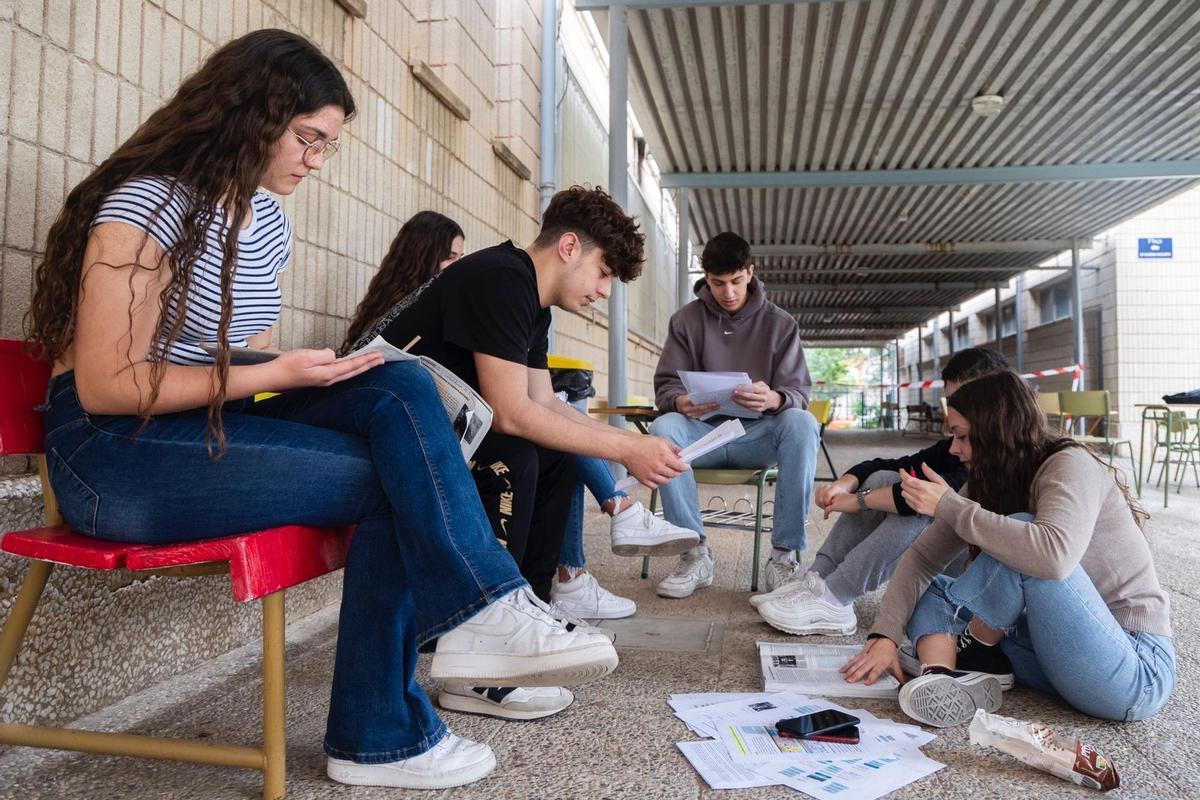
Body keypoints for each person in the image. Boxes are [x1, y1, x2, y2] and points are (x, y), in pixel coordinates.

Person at [25, 30, 616, 790]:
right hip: (112, 455)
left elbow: (237, 365)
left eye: (327, 146)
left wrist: (308, 372)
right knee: (396, 476)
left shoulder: (265, 219)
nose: (314, 161)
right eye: (307, 139)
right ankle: (402, 708)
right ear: (249, 117)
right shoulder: (148, 202)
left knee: (403, 387)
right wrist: (278, 372)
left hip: (197, 434)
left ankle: (469, 628)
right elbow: (110, 386)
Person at [343, 212, 696, 625]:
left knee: (556, 455)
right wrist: (624, 447)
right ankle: (484, 625)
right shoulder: (500, 278)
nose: (604, 291)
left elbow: (543, 402)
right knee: (513, 457)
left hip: (431, 426)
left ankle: (531, 607)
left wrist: (634, 446)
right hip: (372, 427)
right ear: (568, 248)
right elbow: (510, 414)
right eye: (603, 273)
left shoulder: (533, 301)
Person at [841, 371, 1174, 729]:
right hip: (1051, 656)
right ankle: (940, 675)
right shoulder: (994, 476)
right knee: (934, 586)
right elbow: (921, 559)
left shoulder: (1070, 464)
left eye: (962, 436)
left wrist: (950, 506)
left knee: (1025, 528)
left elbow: (1053, 557)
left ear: (995, 431)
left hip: (1132, 669)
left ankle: (974, 652)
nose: (953, 449)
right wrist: (884, 636)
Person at [752, 348, 1008, 636]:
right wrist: (845, 483)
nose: (954, 416)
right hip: (948, 558)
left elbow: (927, 494)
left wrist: (858, 501)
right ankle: (819, 579)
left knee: (916, 498)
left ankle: (836, 598)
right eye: (952, 402)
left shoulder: (1001, 454)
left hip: (973, 582)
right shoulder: (959, 446)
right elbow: (891, 466)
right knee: (885, 477)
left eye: (963, 402)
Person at [649, 232, 821, 599]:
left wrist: (774, 398)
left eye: (736, 282)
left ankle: (782, 557)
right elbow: (665, 387)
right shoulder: (685, 321)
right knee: (662, 426)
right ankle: (694, 553)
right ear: (705, 279)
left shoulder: (781, 323)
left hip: (759, 438)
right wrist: (680, 403)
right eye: (717, 284)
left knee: (802, 422)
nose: (727, 293)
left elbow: (799, 394)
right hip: (702, 435)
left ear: (750, 272)